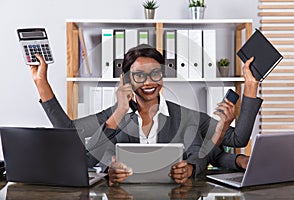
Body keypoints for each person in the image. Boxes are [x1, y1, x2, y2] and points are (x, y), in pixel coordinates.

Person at [30, 44, 262, 186]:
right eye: (139, 75)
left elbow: (236, 140)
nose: (149, 82)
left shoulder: (186, 116)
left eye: (155, 74)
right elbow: (71, 136)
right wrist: (41, 82)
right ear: (126, 80)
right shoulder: (115, 116)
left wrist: (250, 86)